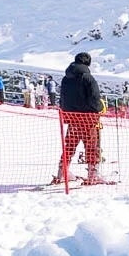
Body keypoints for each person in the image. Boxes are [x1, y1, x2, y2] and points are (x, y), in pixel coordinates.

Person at [52, 52, 105, 185]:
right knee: (92, 145)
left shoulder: (65, 78)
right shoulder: (88, 78)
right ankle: (93, 174)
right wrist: (99, 108)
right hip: (88, 118)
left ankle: (62, 172)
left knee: (69, 145)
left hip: (72, 118)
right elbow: (94, 98)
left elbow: (62, 98)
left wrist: (67, 113)